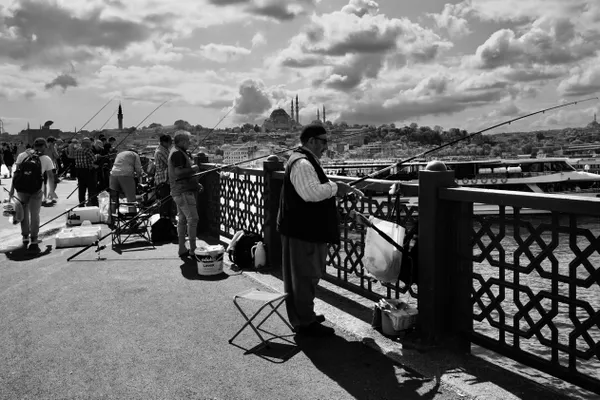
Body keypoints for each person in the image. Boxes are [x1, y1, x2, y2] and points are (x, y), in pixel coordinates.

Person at [276, 124, 362, 337]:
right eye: (324, 141)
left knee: (306, 275)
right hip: (303, 231)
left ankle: (306, 316)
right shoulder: (303, 163)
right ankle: (305, 323)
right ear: (312, 141)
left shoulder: (303, 160)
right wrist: (337, 188)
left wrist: (337, 189)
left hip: (303, 229)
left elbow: (314, 189)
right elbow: (310, 193)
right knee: (304, 276)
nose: (326, 146)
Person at [8, 137, 56, 251]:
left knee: (23, 213)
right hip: (36, 190)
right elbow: (50, 176)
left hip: (21, 189)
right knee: (34, 215)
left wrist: (11, 190)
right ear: (44, 146)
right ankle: (34, 239)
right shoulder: (46, 159)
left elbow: (16, 174)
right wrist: (51, 191)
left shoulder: (22, 156)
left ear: (34, 146)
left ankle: (25, 237)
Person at [168, 130, 203, 258]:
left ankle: (182, 248)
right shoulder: (177, 153)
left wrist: (195, 183)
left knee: (182, 220)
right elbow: (179, 172)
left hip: (179, 191)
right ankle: (193, 249)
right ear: (182, 141)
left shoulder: (177, 151)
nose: (189, 143)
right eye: (188, 141)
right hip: (183, 192)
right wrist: (193, 168)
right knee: (193, 219)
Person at [108, 148, 143, 220]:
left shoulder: (120, 154)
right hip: (125, 175)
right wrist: (140, 176)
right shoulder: (135, 155)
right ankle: (133, 218)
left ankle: (112, 217)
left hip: (113, 175)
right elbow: (138, 169)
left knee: (114, 199)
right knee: (131, 199)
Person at [154, 134, 175, 222]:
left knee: (168, 201)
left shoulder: (165, 150)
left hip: (166, 180)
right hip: (163, 180)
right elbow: (170, 162)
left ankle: (167, 221)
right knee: (165, 202)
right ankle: (164, 221)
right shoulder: (160, 151)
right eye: (170, 142)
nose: (171, 144)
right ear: (164, 142)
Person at [74, 137, 99, 206]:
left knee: (81, 189)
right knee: (91, 188)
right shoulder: (88, 150)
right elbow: (93, 159)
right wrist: (97, 156)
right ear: (87, 144)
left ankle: (81, 204)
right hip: (87, 172)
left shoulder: (77, 150)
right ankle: (92, 203)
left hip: (79, 171)